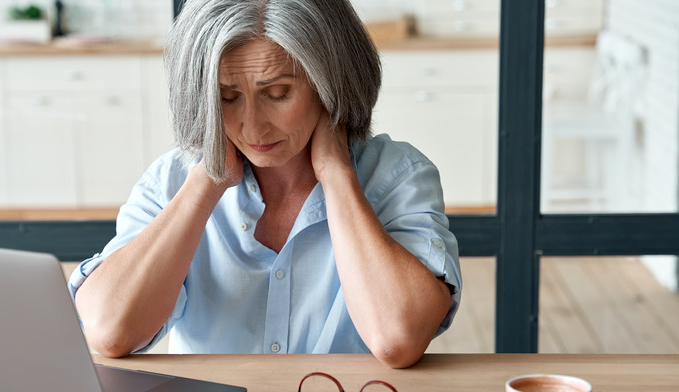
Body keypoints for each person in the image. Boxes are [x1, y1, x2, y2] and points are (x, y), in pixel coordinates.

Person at [69, 0, 462, 369]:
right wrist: (206, 184)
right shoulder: (170, 181)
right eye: (227, 98)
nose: (253, 127)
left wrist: (337, 175)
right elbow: (109, 332)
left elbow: (398, 338)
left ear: (331, 84)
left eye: (278, 94)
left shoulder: (396, 175)